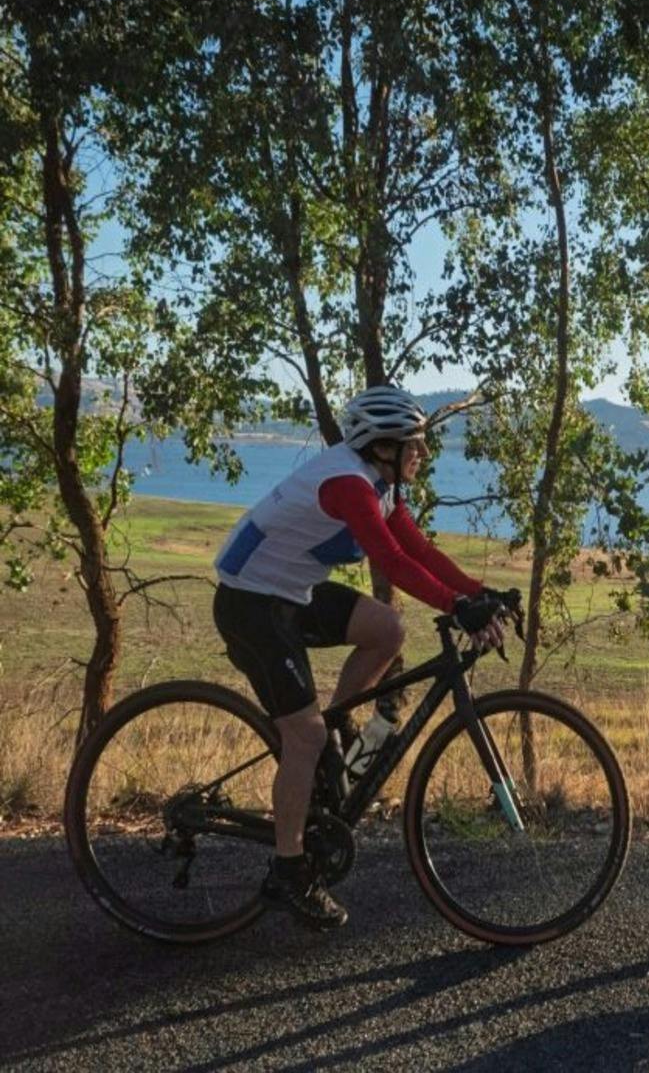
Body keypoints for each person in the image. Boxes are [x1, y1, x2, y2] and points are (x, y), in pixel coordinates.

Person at [212, 385, 508, 929]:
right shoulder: (348, 484)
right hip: (251, 603)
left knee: (387, 629)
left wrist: (477, 593)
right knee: (303, 735)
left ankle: (335, 730)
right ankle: (289, 871)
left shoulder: (380, 484)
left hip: (289, 592)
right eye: (412, 444)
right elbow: (393, 563)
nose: (421, 454)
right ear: (381, 445)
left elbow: (419, 549)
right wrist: (454, 605)